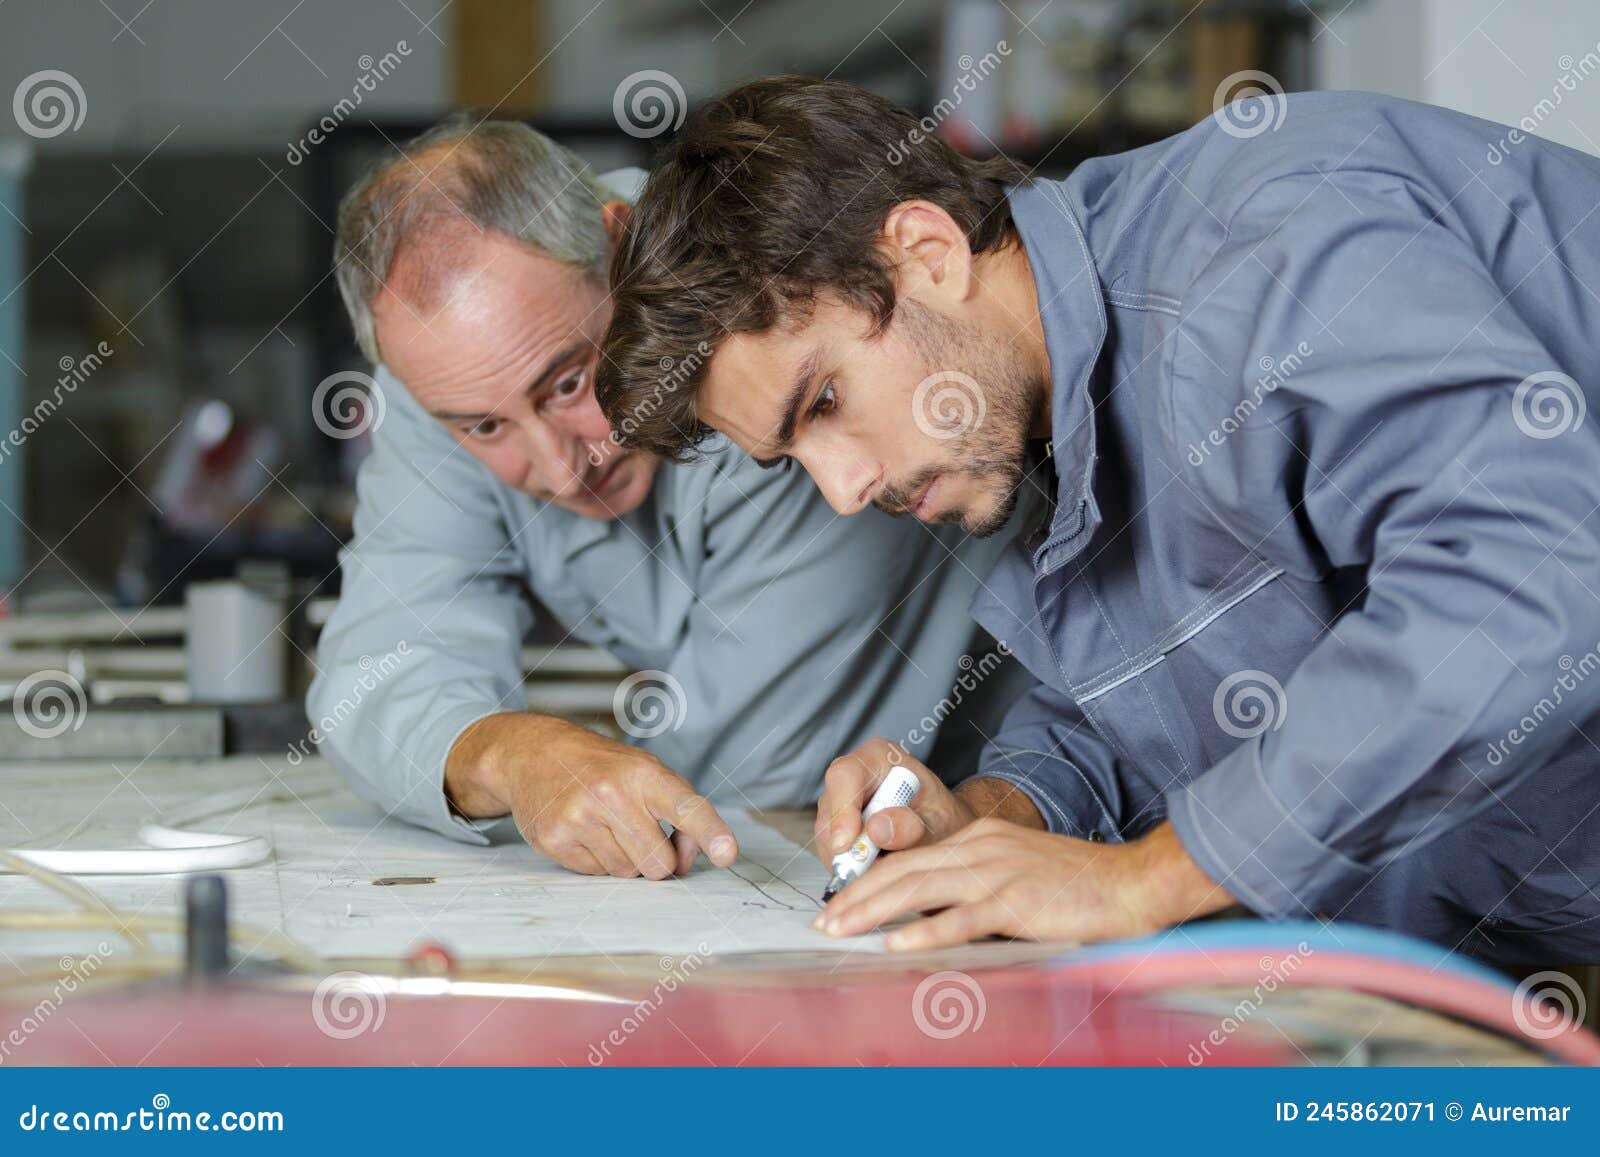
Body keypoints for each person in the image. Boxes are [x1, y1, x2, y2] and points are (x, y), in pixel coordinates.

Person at [597, 78, 1600, 964]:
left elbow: (1524, 573)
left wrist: (1147, 880)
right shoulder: (1034, 405)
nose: (844, 489)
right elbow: (1168, 680)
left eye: (822, 402)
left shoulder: (1264, 248)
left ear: (926, 250)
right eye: (792, 457)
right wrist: (994, 815)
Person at [308, 115, 1029, 881]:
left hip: (1042, 805)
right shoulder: (450, 374)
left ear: (620, 245)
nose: (559, 469)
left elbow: (744, 783)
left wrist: (582, 776)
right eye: (485, 426)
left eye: (568, 382)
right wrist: (511, 753)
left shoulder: (762, 330)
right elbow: (374, 669)